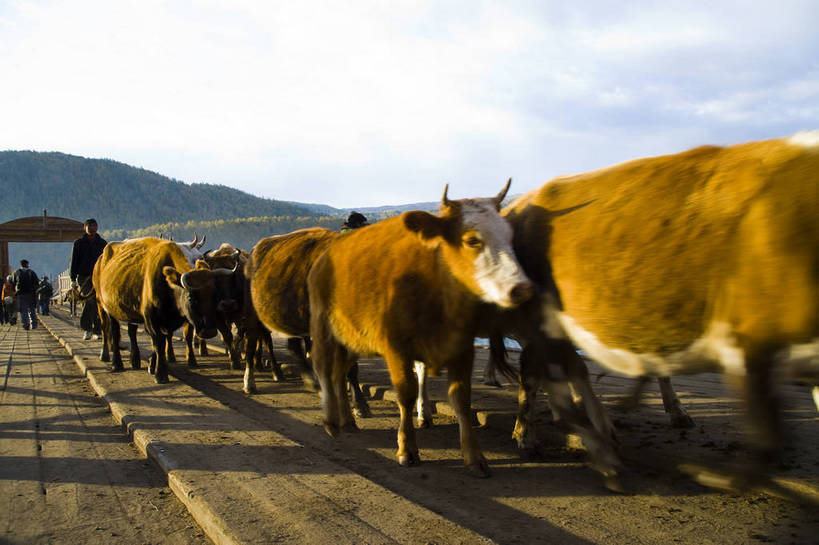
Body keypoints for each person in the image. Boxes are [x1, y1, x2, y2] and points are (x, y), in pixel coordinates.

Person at [69, 218, 107, 340]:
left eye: (94, 226)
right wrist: (72, 278)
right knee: (89, 301)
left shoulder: (103, 243)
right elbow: (74, 261)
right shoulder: (79, 243)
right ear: (85, 228)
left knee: (99, 303)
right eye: (90, 226)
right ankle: (87, 328)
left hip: (99, 276)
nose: (92, 228)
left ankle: (97, 329)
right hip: (84, 276)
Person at [13, 259, 39, 330]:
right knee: (32, 310)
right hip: (30, 294)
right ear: (27, 264)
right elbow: (37, 283)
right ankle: (34, 324)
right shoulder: (31, 272)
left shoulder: (16, 272)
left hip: (21, 294)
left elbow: (13, 283)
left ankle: (26, 324)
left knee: (23, 310)